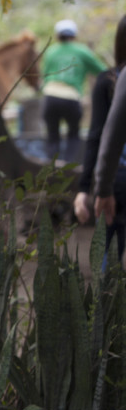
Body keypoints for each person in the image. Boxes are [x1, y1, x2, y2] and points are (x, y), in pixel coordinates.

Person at [74, 15, 126, 262]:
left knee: (109, 253)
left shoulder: (110, 79)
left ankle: (106, 299)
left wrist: (88, 188)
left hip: (119, 178)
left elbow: (100, 137)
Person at [40, 19, 107, 162]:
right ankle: (70, 169)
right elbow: (103, 72)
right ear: (74, 35)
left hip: (50, 97)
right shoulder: (82, 51)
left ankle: (51, 171)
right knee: (73, 135)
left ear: (58, 35)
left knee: (52, 136)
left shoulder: (51, 51)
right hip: (71, 98)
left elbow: (44, 76)